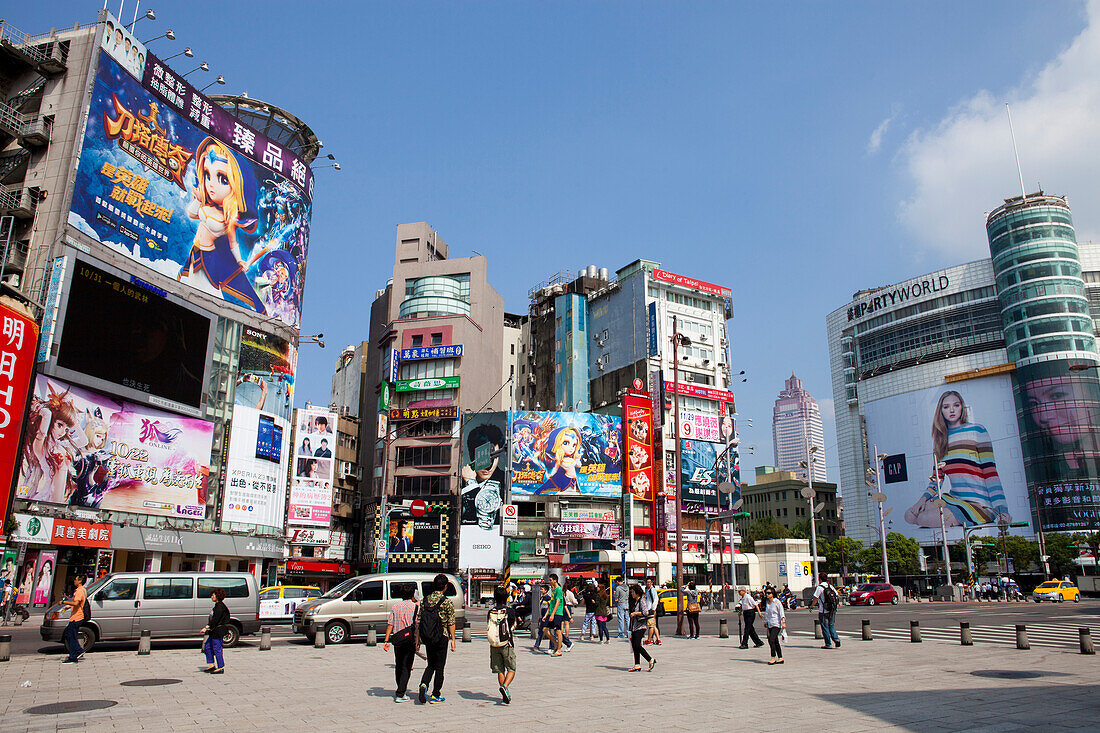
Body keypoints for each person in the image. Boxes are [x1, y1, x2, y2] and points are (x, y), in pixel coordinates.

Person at [905, 390, 1009, 528]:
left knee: (925, 518)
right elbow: (937, 479)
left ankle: (966, 517)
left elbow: (990, 473)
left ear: (962, 407)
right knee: (910, 515)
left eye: (956, 405)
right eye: (946, 407)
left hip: (979, 504)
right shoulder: (940, 441)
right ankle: (949, 514)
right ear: (940, 411)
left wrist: (1002, 510)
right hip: (954, 499)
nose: (952, 410)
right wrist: (922, 500)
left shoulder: (977, 431)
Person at [417, 574, 456, 704]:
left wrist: (418, 639)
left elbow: (419, 620)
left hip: (428, 637)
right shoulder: (447, 602)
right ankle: (435, 694)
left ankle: (423, 684)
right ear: (445, 587)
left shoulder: (425, 600)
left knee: (430, 664)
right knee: (440, 667)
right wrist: (453, 641)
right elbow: (451, 622)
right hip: (442, 637)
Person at [382, 582, 418, 702]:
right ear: (413, 593)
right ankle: (400, 693)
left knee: (399, 665)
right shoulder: (415, 607)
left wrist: (386, 640)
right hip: (409, 640)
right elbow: (418, 624)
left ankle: (400, 688)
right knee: (407, 666)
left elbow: (390, 625)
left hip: (397, 640)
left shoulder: (395, 607)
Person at [487, 585, 516, 704]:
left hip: (494, 643)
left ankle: (505, 691)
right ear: (506, 597)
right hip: (507, 643)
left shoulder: (490, 612)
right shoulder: (510, 611)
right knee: (511, 668)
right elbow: (513, 626)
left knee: (500, 669)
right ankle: (505, 687)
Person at [627, 584, 657, 672]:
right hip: (634, 626)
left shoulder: (641, 601)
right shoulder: (635, 601)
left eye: (633, 592)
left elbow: (645, 613)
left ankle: (650, 659)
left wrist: (635, 613)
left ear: (637, 593)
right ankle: (637, 665)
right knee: (634, 645)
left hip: (641, 626)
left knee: (637, 645)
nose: (632, 594)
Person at [201, 587, 230, 674]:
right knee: (207, 647)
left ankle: (220, 667)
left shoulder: (220, 606)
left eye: (213, 595)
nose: (211, 597)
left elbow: (216, 619)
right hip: (213, 631)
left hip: (218, 630)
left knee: (217, 648)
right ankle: (211, 665)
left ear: (217, 596)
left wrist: (206, 627)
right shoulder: (217, 605)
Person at [60, 573, 87, 664]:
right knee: (70, 635)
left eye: (76, 579)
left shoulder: (79, 591)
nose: (74, 581)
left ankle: (74, 655)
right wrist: (68, 607)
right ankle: (77, 651)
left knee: (70, 636)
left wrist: (64, 602)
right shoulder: (83, 590)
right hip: (77, 616)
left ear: (80, 581)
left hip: (76, 617)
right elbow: (78, 604)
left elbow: (76, 603)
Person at [810, 579, 841, 649]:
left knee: (825, 627)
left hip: (823, 610)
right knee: (831, 625)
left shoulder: (820, 587)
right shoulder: (830, 586)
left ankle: (828, 644)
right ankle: (836, 639)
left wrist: (811, 606)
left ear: (820, 579)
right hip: (832, 609)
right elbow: (837, 595)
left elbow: (816, 598)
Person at [541, 574, 566, 657]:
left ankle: (559, 650)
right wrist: (546, 614)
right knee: (545, 629)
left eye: (551, 580)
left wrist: (552, 614)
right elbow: (551, 603)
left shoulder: (559, 589)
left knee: (558, 631)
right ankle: (556, 644)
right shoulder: (553, 590)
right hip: (551, 612)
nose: (550, 581)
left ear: (555, 580)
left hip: (557, 613)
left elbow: (558, 602)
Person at [762, 586, 786, 665]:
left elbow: (781, 612)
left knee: (771, 640)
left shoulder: (777, 602)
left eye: (769, 593)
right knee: (775, 641)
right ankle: (780, 657)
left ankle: (773, 657)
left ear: (773, 594)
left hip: (777, 623)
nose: (767, 595)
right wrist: (765, 622)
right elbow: (767, 613)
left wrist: (783, 622)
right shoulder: (767, 602)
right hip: (770, 624)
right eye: (766, 593)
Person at [643, 578, 661, 645]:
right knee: (653, 625)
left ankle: (649, 640)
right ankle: (658, 640)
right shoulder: (647, 590)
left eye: (649, 582)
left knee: (651, 625)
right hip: (649, 609)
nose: (648, 583)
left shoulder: (652, 590)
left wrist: (653, 609)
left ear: (652, 583)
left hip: (651, 609)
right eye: (647, 582)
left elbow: (656, 599)